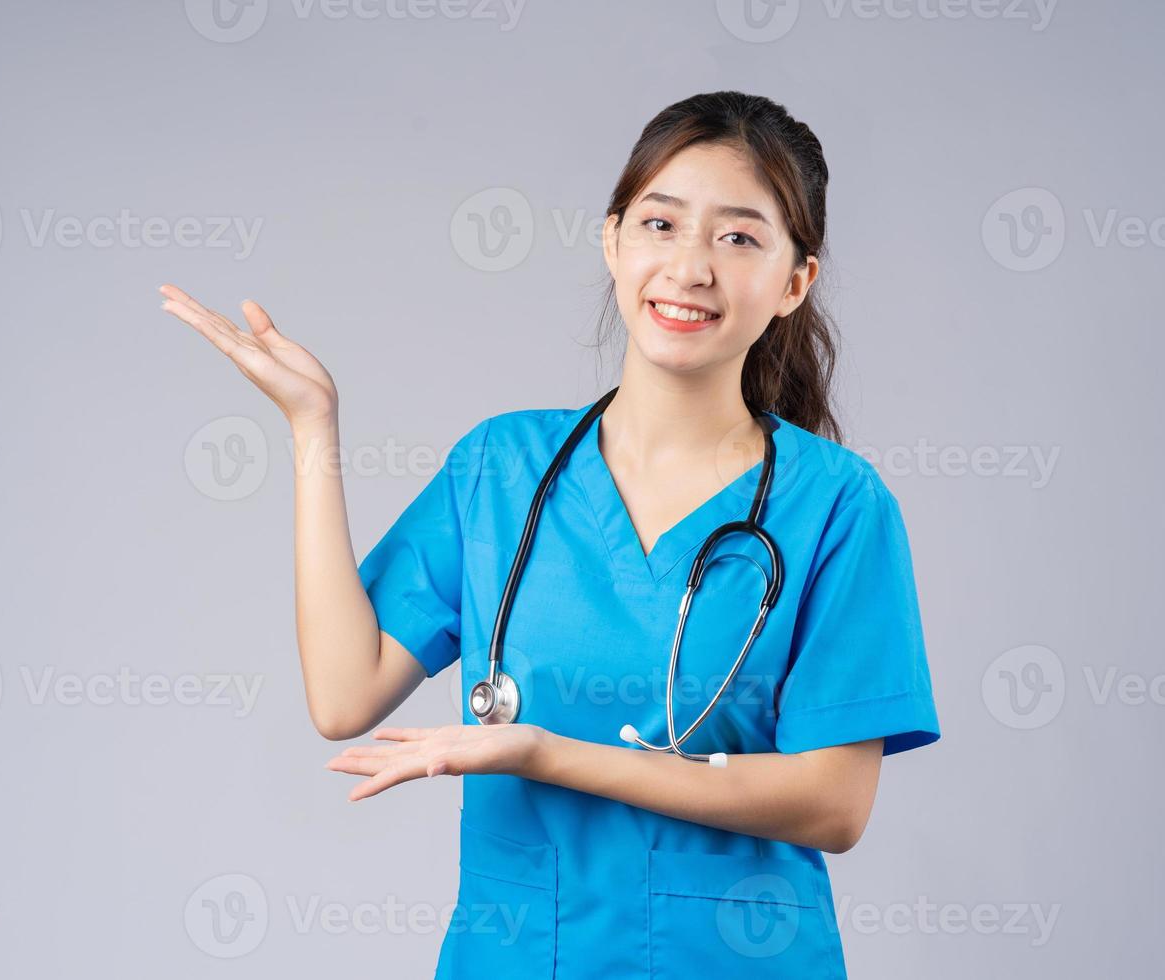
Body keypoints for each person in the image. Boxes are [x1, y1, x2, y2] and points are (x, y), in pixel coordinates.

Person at [159, 90, 940, 979]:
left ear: (794, 281)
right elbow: (343, 695)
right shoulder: (501, 467)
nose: (689, 267)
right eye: (660, 224)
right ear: (613, 241)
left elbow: (834, 805)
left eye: (738, 237)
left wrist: (545, 753)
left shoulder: (836, 504)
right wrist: (312, 433)